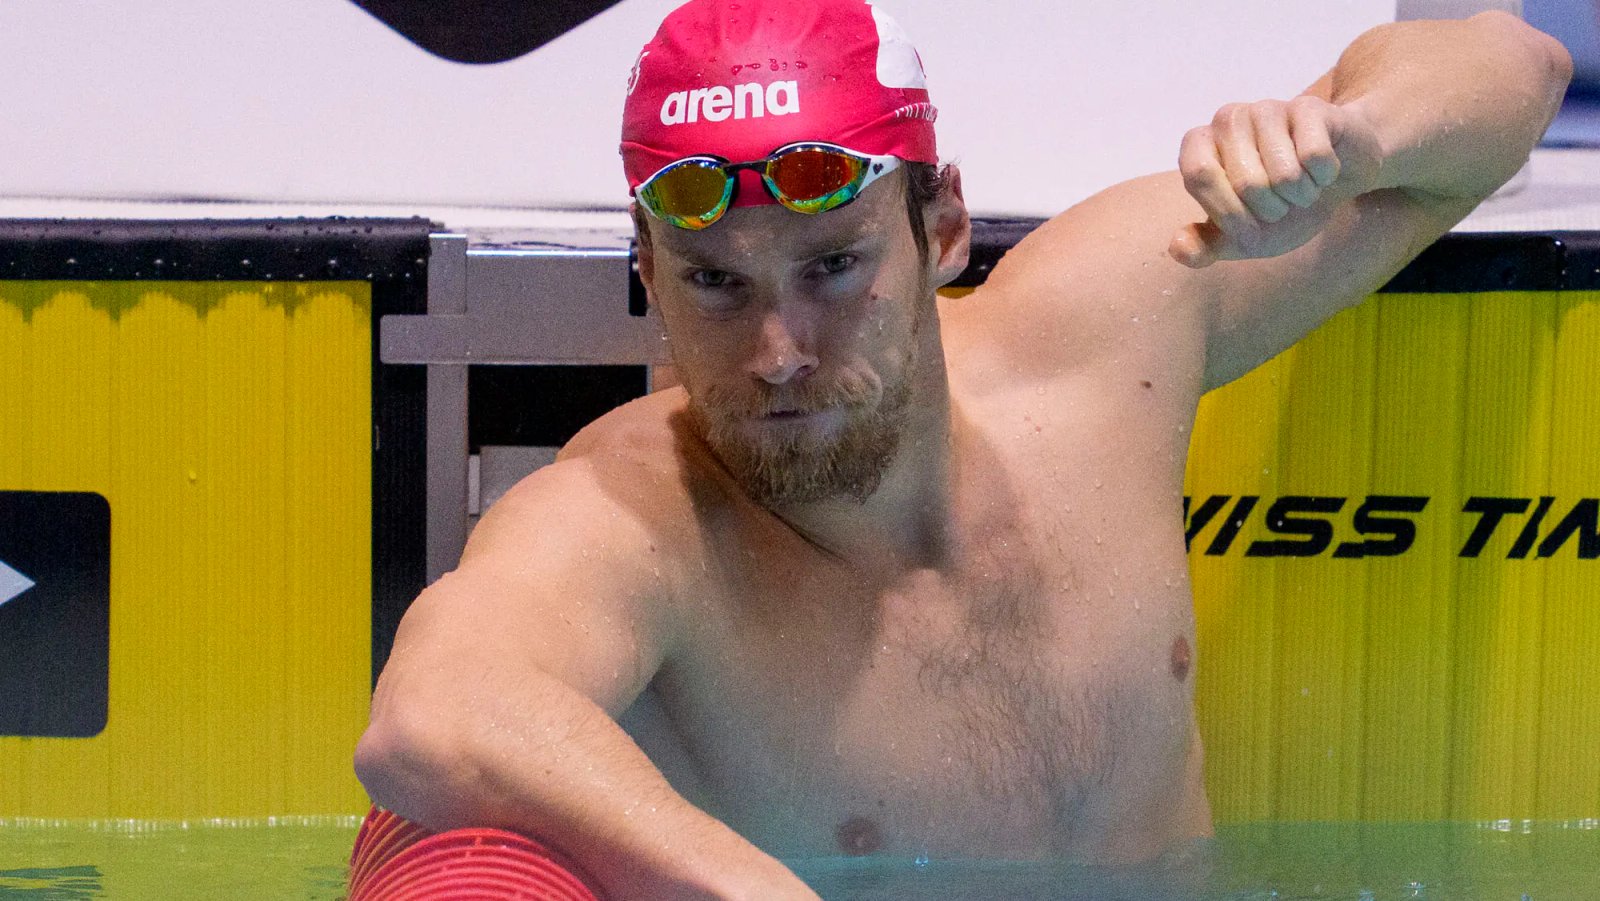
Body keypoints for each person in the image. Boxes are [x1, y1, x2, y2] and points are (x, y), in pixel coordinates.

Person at [354, 1, 1572, 898]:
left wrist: (1347, 136)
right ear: (649, 271)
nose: (777, 350)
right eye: (716, 284)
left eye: (834, 267)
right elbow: (433, 714)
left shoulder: (1101, 341)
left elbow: (1513, 67)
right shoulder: (631, 520)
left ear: (939, 227)